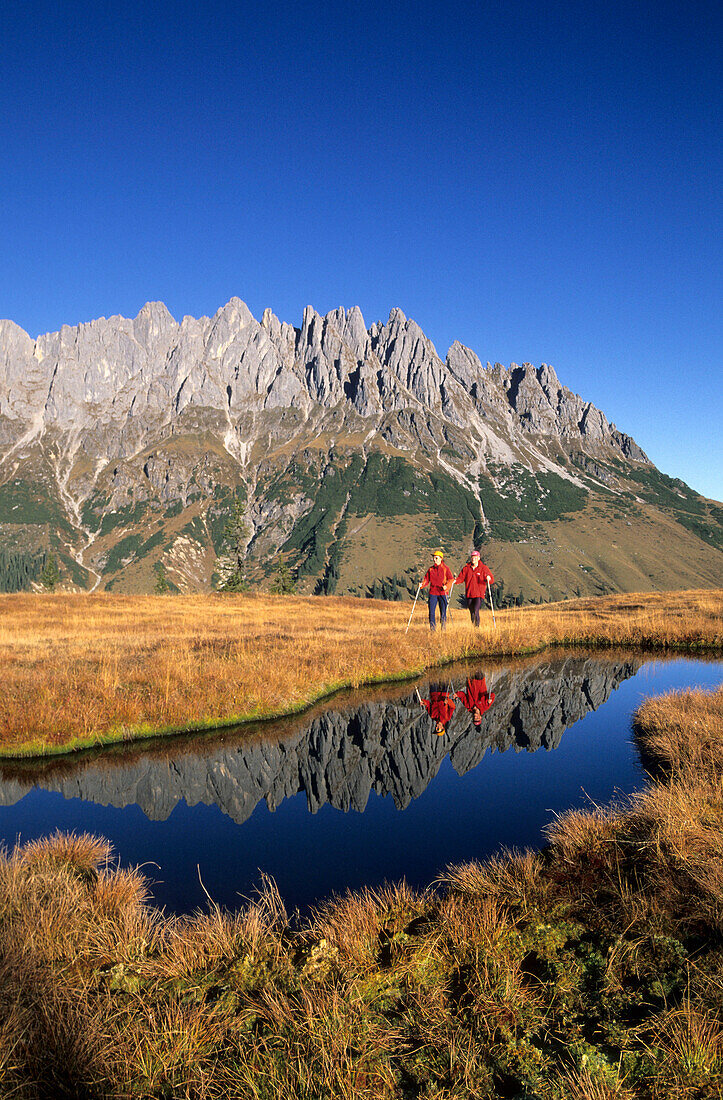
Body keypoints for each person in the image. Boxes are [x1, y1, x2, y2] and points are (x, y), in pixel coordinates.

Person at [455, 549, 494, 628]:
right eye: (472, 557)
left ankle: (477, 627)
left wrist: (488, 578)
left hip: (479, 594)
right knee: (471, 611)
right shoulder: (466, 568)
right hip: (469, 594)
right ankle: (474, 626)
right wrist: (454, 581)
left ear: (479, 558)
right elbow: (461, 578)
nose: (473, 559)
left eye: (475, 557)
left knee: (476, 610)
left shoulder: (483, 568)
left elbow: (491, 580)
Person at [420, 549, 454, 631]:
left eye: (436, 558)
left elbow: (451, 579)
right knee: (431, 612)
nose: (434, 559)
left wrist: (446, 586)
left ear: (441, 558)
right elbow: (426, 580)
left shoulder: (446, 568)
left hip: (443, 593)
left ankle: (443, 629)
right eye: (434, 558)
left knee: (443, 612)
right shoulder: (431, 569)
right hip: (433, 593)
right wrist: (422, 585)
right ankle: (433, 630)